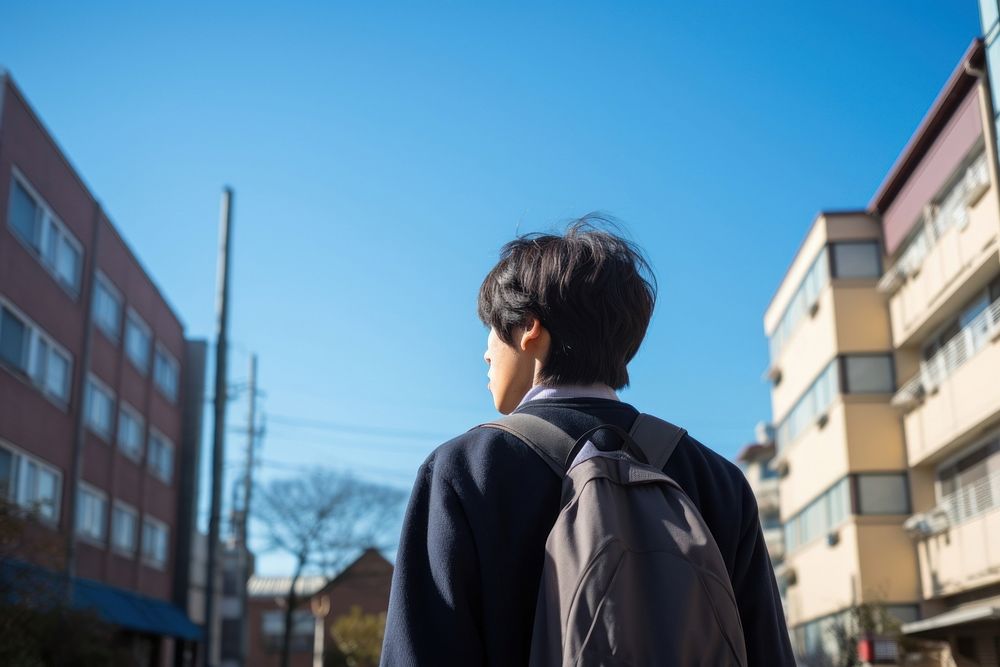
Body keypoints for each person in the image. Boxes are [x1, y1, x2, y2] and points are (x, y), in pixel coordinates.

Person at [380, 218, 794, 666]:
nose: (485, 351)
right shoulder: (717, 481)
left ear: (530, 329)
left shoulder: (464, 471)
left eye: (493, 328)